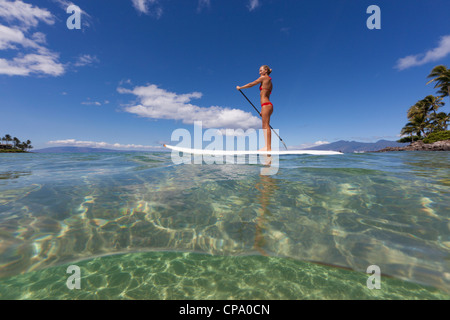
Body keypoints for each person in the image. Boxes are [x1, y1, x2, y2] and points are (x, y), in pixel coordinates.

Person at [236, 65, 273, 151]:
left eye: (261, 71)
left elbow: (251, 84)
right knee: (264, 125)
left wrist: (240, 87)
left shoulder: (264, 78)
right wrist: (262, 110)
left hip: (266, 105)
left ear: (266, 70)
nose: (259, 73)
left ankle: (268, 147)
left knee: (265, 125)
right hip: (267, 106)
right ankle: (267, 147)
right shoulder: (269, 81)